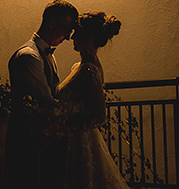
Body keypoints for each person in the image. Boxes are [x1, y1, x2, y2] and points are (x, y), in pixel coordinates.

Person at [5, 0, 79, 189]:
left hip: (41, 139)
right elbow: (47, 102)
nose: (68, 38)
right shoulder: (29, 56)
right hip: (26, 140)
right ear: (52, 23)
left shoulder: (48, 55)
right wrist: (81, 109)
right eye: (67, 31)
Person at [55, 11, 129, 189]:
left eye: (77, 34)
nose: (72, 37)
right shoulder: (81, 66)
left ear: (88, 39)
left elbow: (99, 115)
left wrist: (67, 130)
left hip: (80, 142)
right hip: (74, 138)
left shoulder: (89, 69)